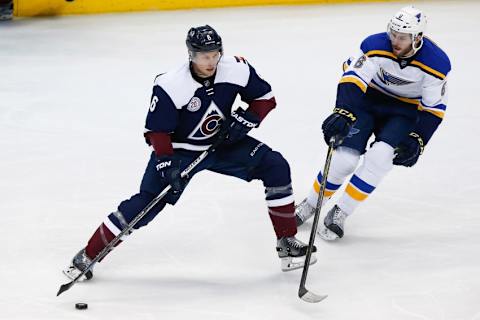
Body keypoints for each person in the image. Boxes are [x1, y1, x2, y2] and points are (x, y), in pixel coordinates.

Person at [63, 25, 316, 281]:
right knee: (147, 204)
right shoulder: (172, 84)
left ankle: (287, 242)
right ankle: (87, 255)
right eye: (204, 56)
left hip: (222, 144)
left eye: (215, 53)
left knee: (275, 165)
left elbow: (265, 97)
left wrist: (247, 119)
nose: (211, 61)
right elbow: (157, 131)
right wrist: (165, 162)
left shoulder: (236, 68)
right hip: (181, 152)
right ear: (191, 55)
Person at [295, 6, 451, 240]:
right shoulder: (374, 45)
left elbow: (433, 108)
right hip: (369, 101)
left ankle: (341, 212)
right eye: (394, 34)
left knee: (381, 158)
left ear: (417, 38)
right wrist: (343, 111)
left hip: (405, 111)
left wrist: (419, 138)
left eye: (403, 37)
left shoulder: (436, 63)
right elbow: (353, 77)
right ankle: (311, 203)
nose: (395, 41)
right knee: (344, 159)